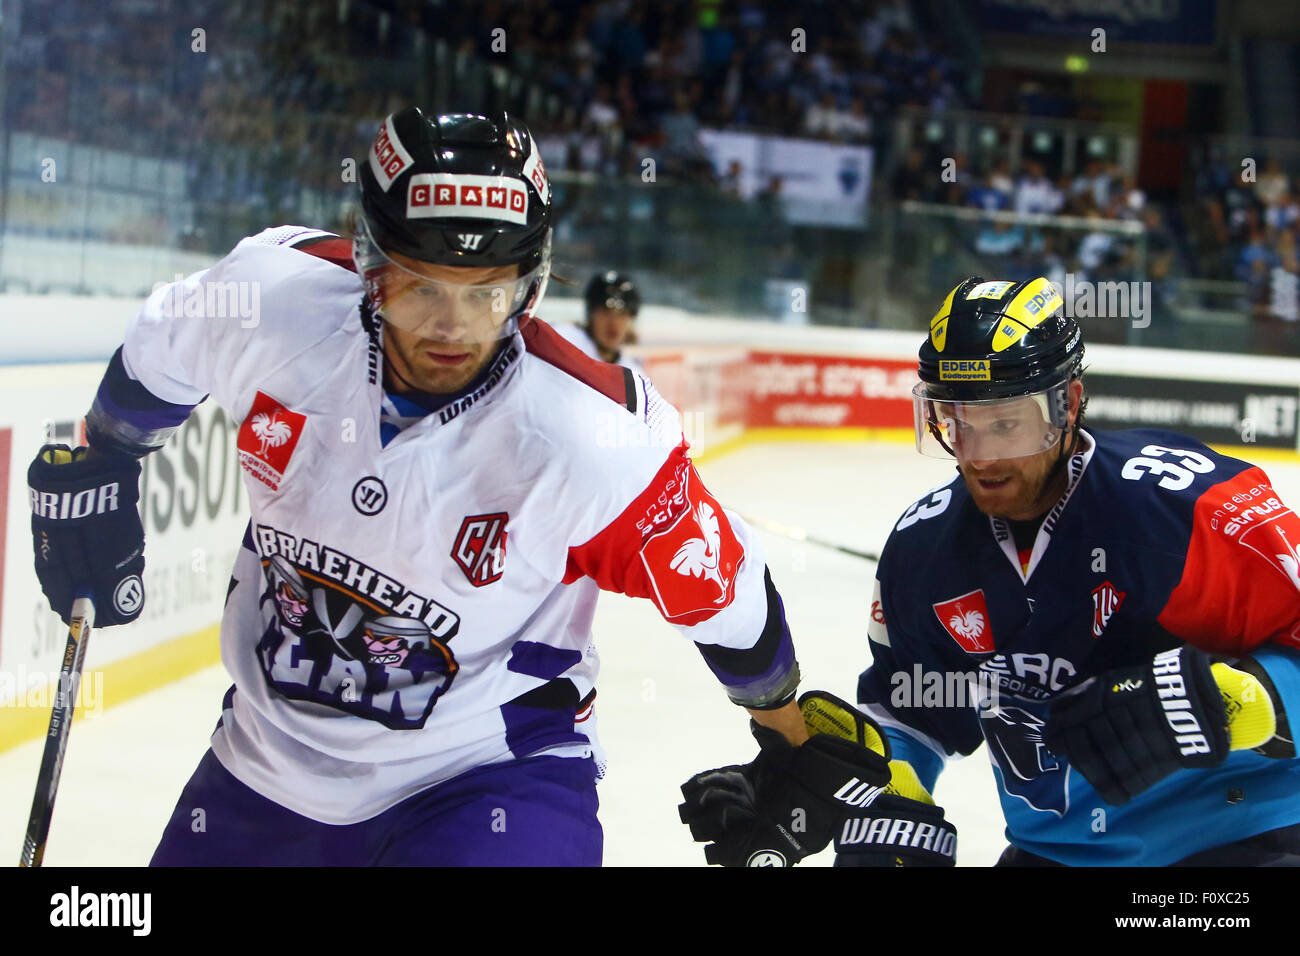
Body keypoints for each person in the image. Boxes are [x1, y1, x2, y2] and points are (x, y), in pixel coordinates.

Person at [26, 108, 887, 866]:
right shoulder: (272, 298)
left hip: (489, 780)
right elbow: (157, 355)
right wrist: (104, 459)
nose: (453, 326)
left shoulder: (593, 440)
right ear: (369, 261)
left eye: (491, 293)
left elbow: (726, 596)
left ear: (534, 282)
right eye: (420, 287)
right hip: (263, 763)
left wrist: (784, 733)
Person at [833, 275, 1300, 867]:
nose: (979, 457)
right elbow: (910, 710)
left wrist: (1235, 701)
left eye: (1006, 424)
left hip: (1240, 840)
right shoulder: (924, 548)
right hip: (1057, 852)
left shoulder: (1187, 511)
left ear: (1069, 404)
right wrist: (892, 795)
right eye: (958, 422)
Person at [555, 271, 644, 375]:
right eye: (605, 312)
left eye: (622, 314)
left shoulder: (633, 374)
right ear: (591, 315)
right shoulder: (564, 341)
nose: (613, 322)